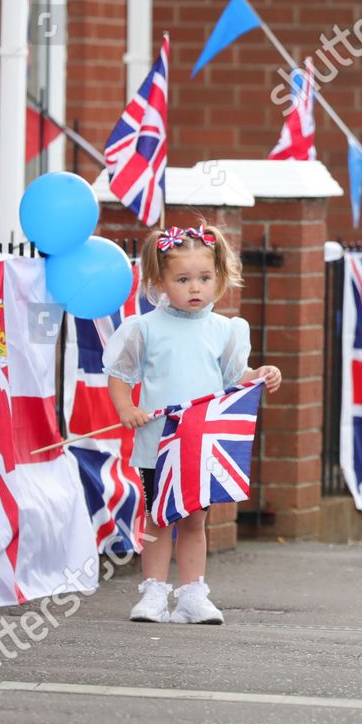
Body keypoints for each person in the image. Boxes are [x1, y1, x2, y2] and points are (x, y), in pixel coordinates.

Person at [105, 223, 283, 625]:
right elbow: (119, 374)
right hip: (157, 441)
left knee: (194, 519)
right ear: (160, 282)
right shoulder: (145, 328)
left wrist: (262, 373)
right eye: (182, 279)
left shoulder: (225, 329)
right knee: (158, 515)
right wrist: (125, 409)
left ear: (219, 277)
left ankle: (191, 594)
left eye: (204, 278)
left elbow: (235, 377)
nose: (195, 288)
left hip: (200, 444)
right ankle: (153, 592)